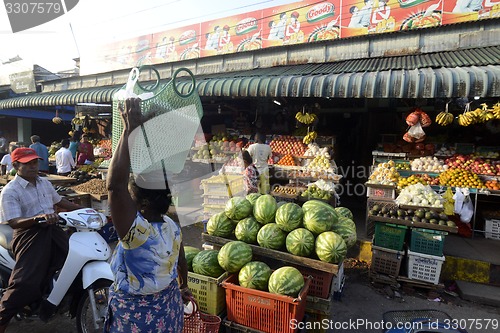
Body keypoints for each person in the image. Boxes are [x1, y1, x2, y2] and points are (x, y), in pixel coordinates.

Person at [104, 98, 191, 332]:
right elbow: (181, 263)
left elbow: (114, 186)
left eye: (130, 194)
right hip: (169, 309)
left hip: (138, 319)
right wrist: (183, 287)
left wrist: (129, 131)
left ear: (142, 202)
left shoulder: (138, 234)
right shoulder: (171, 226)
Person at [0, 148, 83, 332]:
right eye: (27, 163)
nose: (33, 166)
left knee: (74, 261)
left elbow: (59, 200)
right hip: (28, 234)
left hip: (51, 230)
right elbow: (14, 222)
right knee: (25, 282)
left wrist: (80, 209)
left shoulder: (44, 183)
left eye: (35, 162)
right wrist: (38, 219)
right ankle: (3, 318)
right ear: (15, 166)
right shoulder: (10, 191)